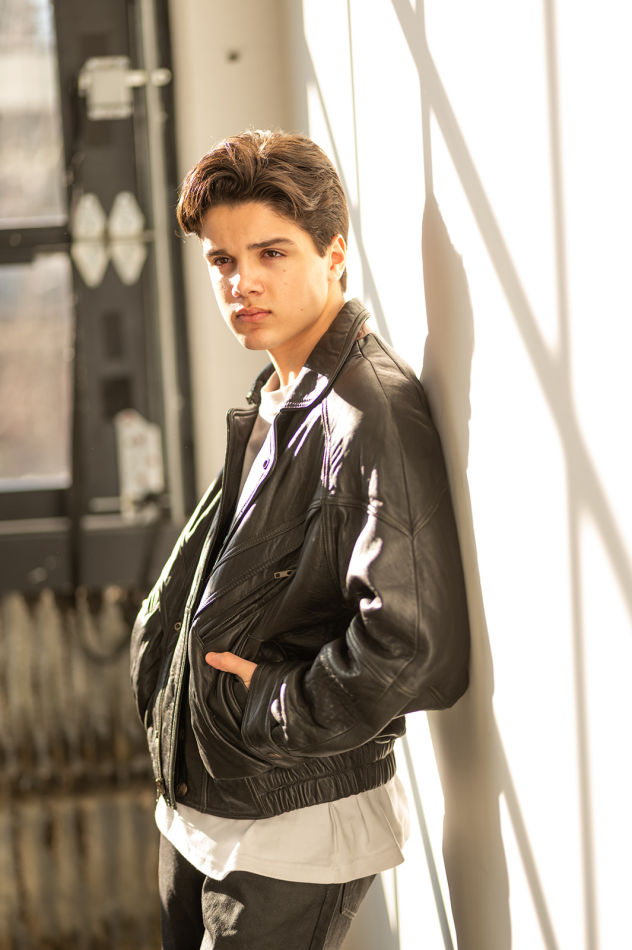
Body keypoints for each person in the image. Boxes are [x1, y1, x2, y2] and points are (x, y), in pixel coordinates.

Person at [130, 129, 470, 950]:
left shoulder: (368, 411)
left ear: (335, 252)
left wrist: (266, 705)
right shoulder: (282, 392)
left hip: (291, 826)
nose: (241, 282)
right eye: (221, 260)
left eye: (271, 253)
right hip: (205, 806)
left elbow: (416, 647)